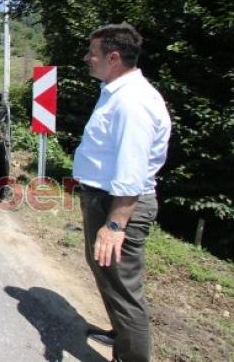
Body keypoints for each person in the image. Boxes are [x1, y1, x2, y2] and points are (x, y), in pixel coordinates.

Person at [72, 23, 171, 362]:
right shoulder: (116, 90)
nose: (88, 58)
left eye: (93, 54)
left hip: (119, 204)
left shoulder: (132, 102)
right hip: (105, 198)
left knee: (124, 289)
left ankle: (130, 353)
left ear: (113, 57)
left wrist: (114, 225)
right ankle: (120, 337)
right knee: (108, 275)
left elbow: (132, 170)